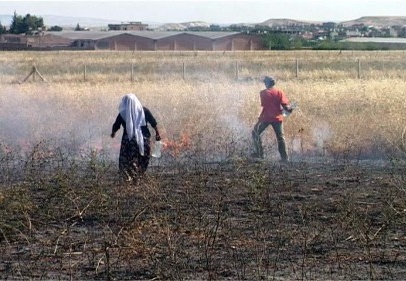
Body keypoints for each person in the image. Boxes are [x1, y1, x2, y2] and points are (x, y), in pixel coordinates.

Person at [111, 93, 161, 182]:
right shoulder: (144, 111)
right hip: (144, 140)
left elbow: (116, 125)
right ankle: (138, 176)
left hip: (128, 141)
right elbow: (153, 123)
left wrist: (113, 133)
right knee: (143, 158)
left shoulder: (122, 114)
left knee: (128, 159)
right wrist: (157, 133)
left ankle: (130, 178)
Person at [252, 76, 293, 163]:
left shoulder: (263, 93)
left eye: (265, 82)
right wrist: (290, 109)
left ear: (267, 83)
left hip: (266, 118)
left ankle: (260, 154)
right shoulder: (279, 92)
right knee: (280, 138)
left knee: (255, 133)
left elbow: (264, 105)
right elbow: (285, 106)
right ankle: (285, 158)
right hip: (277, 118)